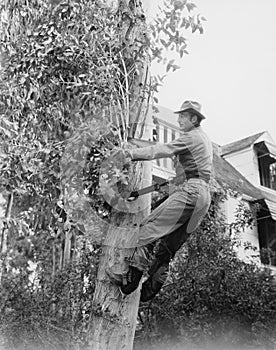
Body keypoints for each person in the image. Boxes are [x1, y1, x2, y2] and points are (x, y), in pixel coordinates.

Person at [108, 100, 213, 302]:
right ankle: (148, 291)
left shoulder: (191, 137)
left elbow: (158, 150)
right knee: (167, 249)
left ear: (194, 118)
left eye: (183, 116)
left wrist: (129, 153)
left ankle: (127, 280)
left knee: (148, 227)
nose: (179, 119)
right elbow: (173, 182)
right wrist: (141, 192)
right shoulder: (202, 145)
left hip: (191, 192)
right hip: (202, 200)